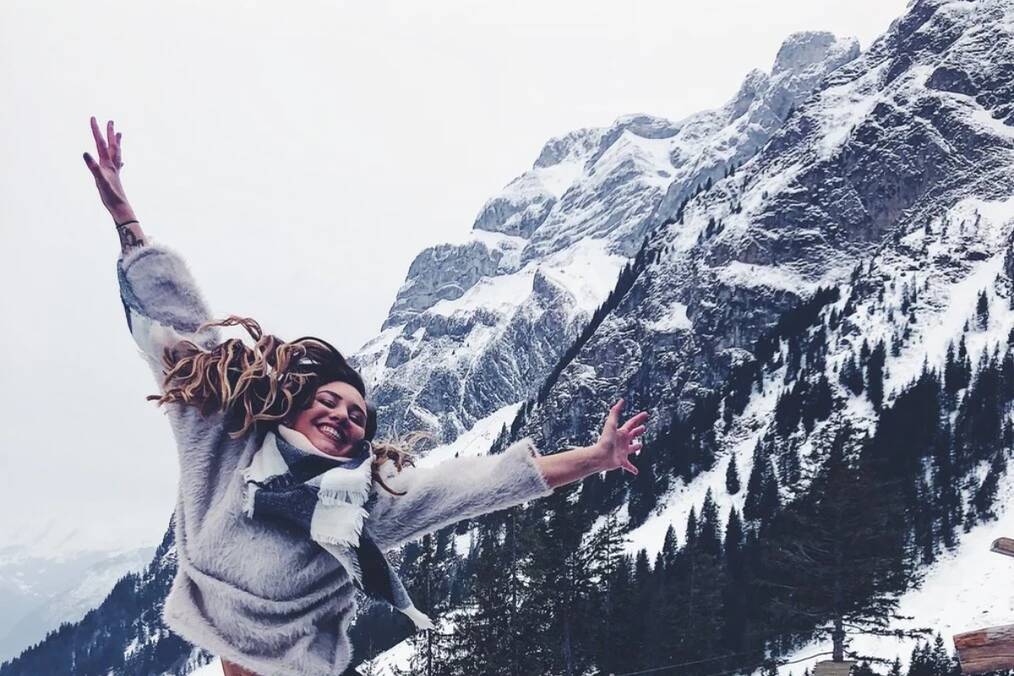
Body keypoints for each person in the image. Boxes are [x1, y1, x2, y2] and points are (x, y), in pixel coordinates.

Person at [83, 116, 650, 676]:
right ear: (296, 407)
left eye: (357, 414)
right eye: (328, 402)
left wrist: (596, 459)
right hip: (225, 633)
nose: (342, 416)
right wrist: (126, 220)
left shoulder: (363, 502)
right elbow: (185, 330)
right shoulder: (229, 445)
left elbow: (482, 484)